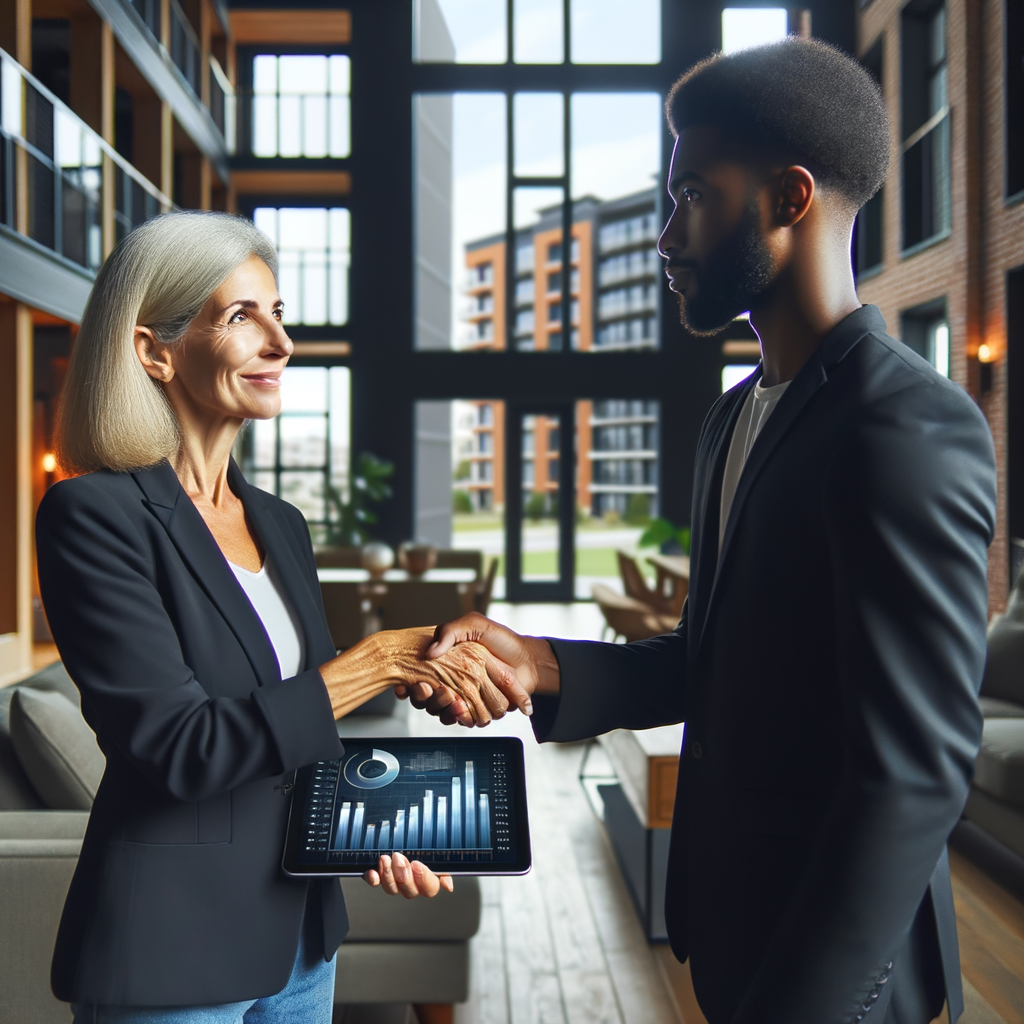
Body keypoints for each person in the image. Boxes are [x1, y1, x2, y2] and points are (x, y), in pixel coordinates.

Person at [400, 38, 997, 1024]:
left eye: (690, 196)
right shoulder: (735, 415)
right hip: (732, 928)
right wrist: (538, 661)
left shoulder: (906, 426)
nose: (664, 234)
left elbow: (914, 774)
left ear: (788, 198)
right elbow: (718, 661)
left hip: (837, 982)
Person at [36, 211, 525, 1023]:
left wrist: (370, 830)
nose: (280, 344)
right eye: (239, 317)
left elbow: (301, 735)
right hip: (173, 952)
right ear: (153, 351)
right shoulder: (93, 516)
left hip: (301, 939)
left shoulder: (281, 523)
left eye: (279, 314)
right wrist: (376, 662)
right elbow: (181, 749)